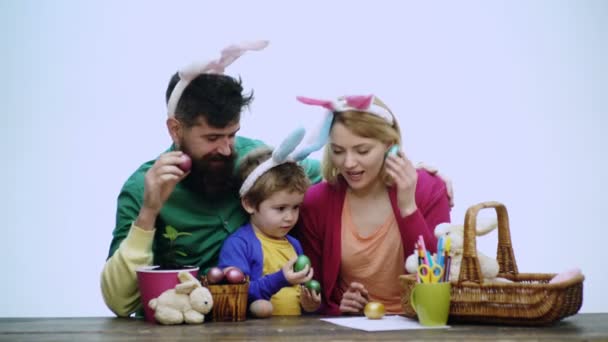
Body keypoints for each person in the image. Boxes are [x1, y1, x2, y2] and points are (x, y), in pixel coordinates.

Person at [101, 41, 453, 317]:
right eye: (212, 139)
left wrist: (414, 174)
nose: (227, 149)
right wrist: (148, 213)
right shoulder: (142, 188)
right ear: (175, 129)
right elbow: (119, 302)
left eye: (233, 134)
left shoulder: (261, 161)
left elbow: (339, 173)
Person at [294, 95, 452, 316]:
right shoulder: (316, 202)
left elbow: (441, 276)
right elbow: (313, 293)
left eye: (362, 151)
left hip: (423, 323)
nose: (348, 163)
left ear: (389, 145)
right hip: (352, 329)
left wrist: (408, 208)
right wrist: (339, 306)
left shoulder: (430, 188)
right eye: (338, 151)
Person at [217, 131, 323, 316]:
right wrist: (281, 278)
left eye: (296, 207)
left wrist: (310, 305)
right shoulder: (239, 244)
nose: (290, 217)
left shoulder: (294, 244)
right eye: (280, 208)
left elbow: (299, 293)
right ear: (249, 204)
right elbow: (237, 291)